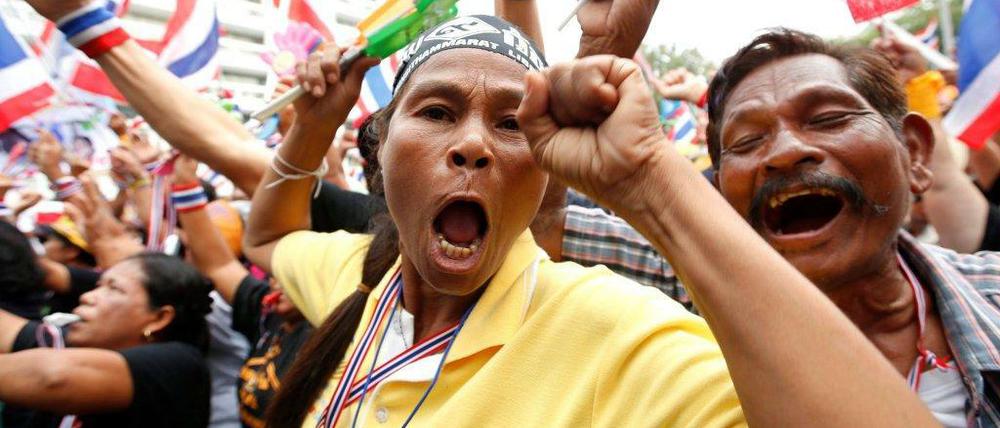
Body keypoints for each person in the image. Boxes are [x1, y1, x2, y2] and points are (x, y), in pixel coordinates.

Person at [244, 14, 935, 428]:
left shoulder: (621, 338)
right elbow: (268, 235)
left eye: (513, 124)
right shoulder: (359, 279)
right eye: (437, 112)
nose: (474, 144)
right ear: (382, 144)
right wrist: (313, 124)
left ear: (547, 166)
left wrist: (649, 180)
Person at [705, 28, 1000, 426]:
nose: (786, 152)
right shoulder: (689, 345)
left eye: (828, 119)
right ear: (718, 195)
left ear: (913, 154)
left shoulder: (993, 292)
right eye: (745, 141)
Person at [171, 154, 311, 428]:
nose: (277, 285)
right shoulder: (269, 314)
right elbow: (219, 264)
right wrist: (185, 185)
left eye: (294, 277)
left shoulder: (336, 333)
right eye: (275, 275)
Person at [0, 249, 212, 428]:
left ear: (159, 318)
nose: (87, 296)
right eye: (98, 286)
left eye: (113, 288)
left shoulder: (179, 365)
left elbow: (53, 378)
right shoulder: (74, 343)